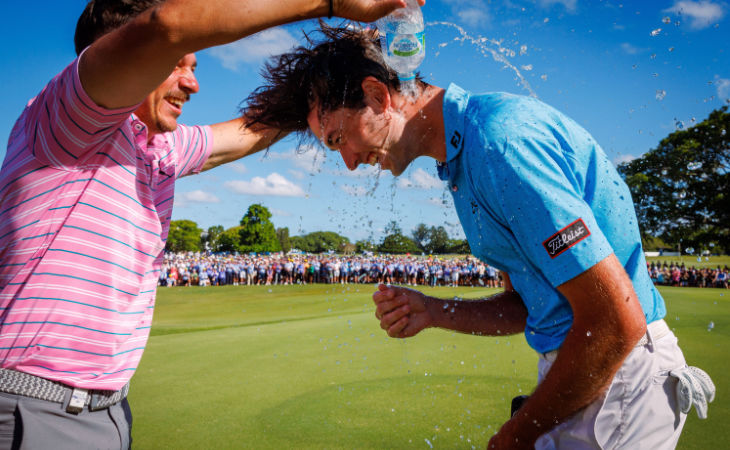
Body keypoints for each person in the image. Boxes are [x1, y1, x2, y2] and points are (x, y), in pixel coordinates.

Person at [241, 25, 716, 449]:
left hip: (620, 376)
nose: (346, 160)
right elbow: (529, 308)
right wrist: (431, 310)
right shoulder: (464, 158)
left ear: (377, 95)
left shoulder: (499, 144)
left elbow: (616, 320)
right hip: (593, 369)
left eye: (337, 138)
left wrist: (518, 433)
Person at [0, 2, 423, 448]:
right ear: (120, 54)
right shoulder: (68, 118)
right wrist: (334, 4)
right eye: (176, 64)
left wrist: (343, 67)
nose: (192, 83)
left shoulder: (160, 148)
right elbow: (165, 27)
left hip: (105, 407)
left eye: (194, 66)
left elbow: (253, 129)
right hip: (36, 402)